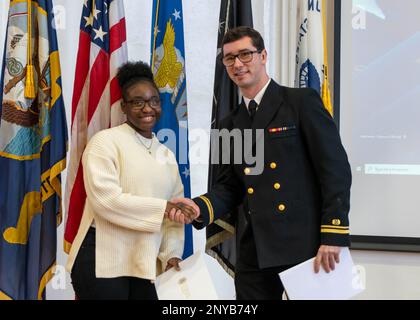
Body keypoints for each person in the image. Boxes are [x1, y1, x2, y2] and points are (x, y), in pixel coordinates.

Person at [169, 26, 352, 300]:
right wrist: (199, 207)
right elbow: (229, 186)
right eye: (229, 58)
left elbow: (335, 170)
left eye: (245, 54)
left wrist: (333, 234)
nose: (237, 64)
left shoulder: (300, 102)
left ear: (263, 55)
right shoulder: (227, 124)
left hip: (305, 245)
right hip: (256, 249)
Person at [66, 61, 195, 300]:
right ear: (124, 107)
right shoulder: (104, 143)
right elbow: (107, 201)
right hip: (102, 262)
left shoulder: (166, 155)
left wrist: (171, 255)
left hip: (145, 265)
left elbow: (173, 218)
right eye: (138, 102)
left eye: (154, 101)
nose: (148, 108)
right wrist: (164, 208)